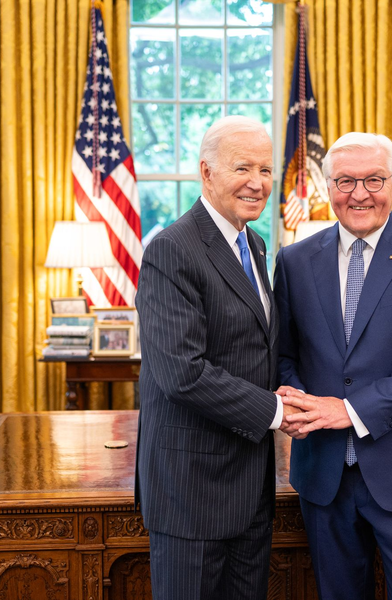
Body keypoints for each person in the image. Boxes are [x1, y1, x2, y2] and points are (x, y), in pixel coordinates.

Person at [273, 132, 392, 599]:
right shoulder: (295, 260)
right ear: (328, 188)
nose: (359, 194)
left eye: (374, 180)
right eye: (345, 181)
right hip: (323, 475)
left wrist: (351, 410)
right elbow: (283, 354)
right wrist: (297, 400)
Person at [135, 116, 299, 600]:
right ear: (206, 172)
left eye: (266, 170)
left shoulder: (255, 244)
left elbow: (256, 347)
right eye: (243, 168)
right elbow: (181, 374)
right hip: (193, 494)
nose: (258, 182)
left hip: (250, 486)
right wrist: (278, 411)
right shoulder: (171, 249)